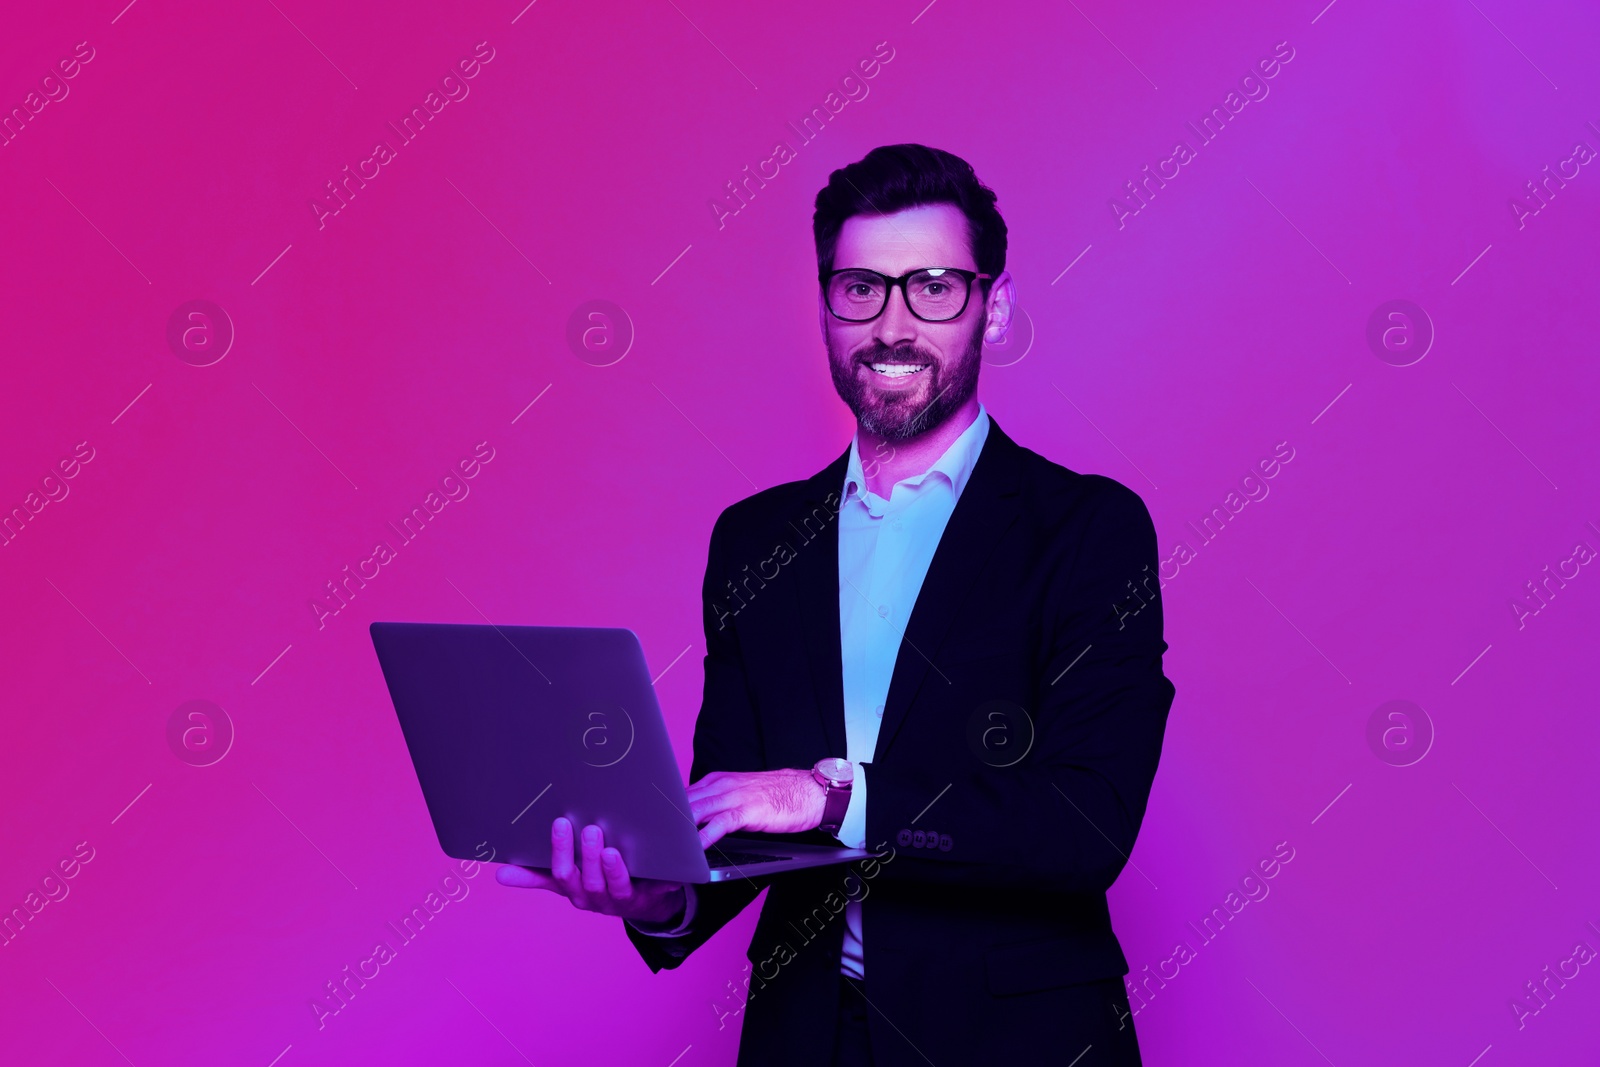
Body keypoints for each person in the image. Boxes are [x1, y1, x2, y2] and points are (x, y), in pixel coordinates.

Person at [496, 143, 1175, 1066]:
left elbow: (1084, 821)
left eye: (933, 287)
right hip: (807, 1037)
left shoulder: (1088, 531)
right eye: (861, 288)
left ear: (995, 306)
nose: (892, 325)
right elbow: (737, 803)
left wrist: (829, 794)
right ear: (825, 303)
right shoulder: (755, 539)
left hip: (1017, 1040)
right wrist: (662, 896)